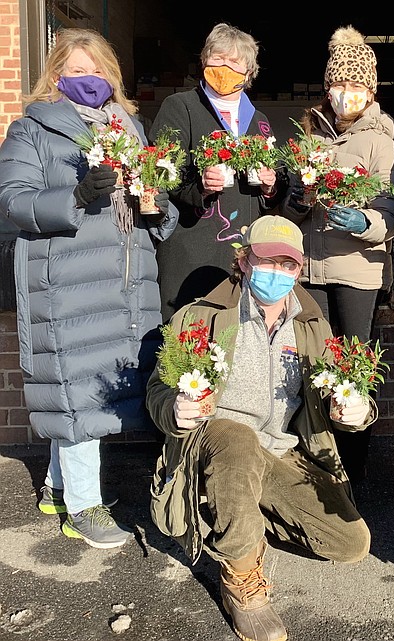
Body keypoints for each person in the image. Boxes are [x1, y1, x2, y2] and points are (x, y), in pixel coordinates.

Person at [146, 215, 373, 641]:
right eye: (267, 261)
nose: (277, 273)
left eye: (288, 265)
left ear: (299, 269)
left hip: (281, 449)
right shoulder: (203, 316)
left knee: (350, 544)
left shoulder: (311, 324)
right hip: (217, 441)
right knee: (237, 436)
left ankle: (238, 509)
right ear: (244, 261)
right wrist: (173, 408)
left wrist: (356, 410)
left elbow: (340, 386)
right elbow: (158, 387)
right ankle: (241, 579)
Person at [0, 28, 177, 548]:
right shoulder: (30, 131)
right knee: (77, 388)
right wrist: (74, 193)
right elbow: (12, 201)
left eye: (96, 70)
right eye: (76, 71)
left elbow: (154, 199)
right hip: (69, 281)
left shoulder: (131, 127)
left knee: (92, 388)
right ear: (55, 76)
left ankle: (59, 488)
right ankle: (83, 507)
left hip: (122, 278)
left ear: (111, 77)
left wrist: (156, 204)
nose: (88, 80)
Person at [279, 25, 394, 481]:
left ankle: (353, 467)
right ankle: (319, 461)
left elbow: (392, 216)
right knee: (314, 365)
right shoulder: (310, 140)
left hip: (357, 273)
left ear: (369, 90)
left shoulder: (381, 143)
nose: (344, 93)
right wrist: (298, 201)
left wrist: (364, 223)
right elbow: (290, 210)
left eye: (355, 85)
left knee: (352, 369)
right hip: (311, 271)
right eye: (338, 84)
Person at [149, 22, 285, 322]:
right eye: (218, 58)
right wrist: (199, 186)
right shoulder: (180, 106)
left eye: (234, 62)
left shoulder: (258, 120)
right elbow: (161, 172)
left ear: (249, 73)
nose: (225, 67)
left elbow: (276, 186)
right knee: (187, 334)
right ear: (204, 61)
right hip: (192, 247)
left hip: (242, 253)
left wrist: (269, 185)